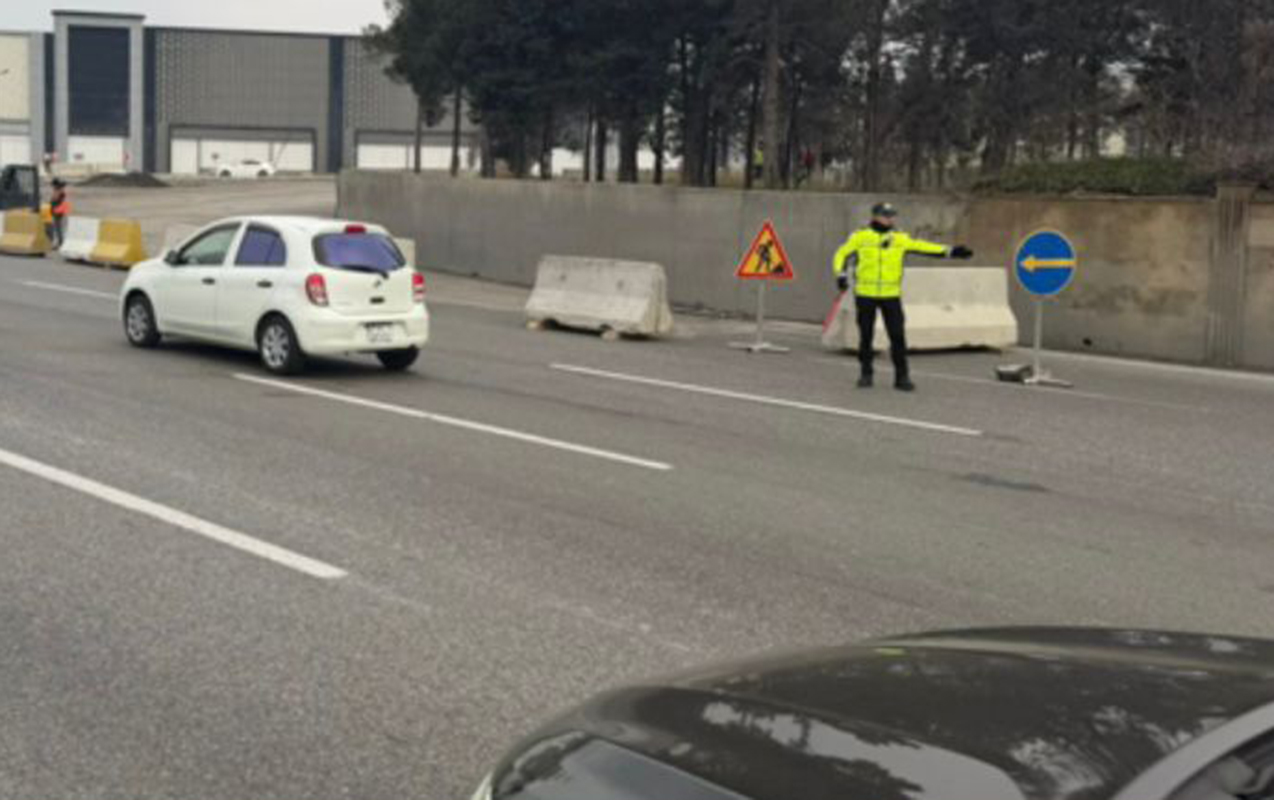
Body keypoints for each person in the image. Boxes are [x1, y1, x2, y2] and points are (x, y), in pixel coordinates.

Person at [832, 202, 973, 392]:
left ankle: (902, 377)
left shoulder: (899, 238)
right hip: (865, 294)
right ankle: (866, 374)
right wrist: (840, 275)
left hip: (891, 295)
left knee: (897, 336)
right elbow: (841, 254)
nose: (890, 219)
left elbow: (924, 247)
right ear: (875, 216)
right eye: (886, 215)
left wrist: (951, 251)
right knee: (866, 336)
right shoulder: (861, 237)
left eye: (892, 215)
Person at [49, 178, 71, 250]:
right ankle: (59, 243)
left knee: (58, 229)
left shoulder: (60, 192)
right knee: (58, 228)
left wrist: (53, 205)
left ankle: (60, 243)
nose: (52, 187)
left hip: (59, 212)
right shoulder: (59, 191)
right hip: (58, 212)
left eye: (53, 185)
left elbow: (56, 201)